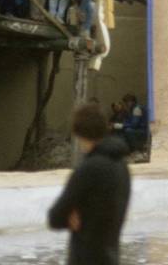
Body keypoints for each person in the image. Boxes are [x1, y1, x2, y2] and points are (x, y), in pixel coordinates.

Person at [47, 103, 131, 265]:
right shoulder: (122, 167)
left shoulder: (87, 169)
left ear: (77, 132)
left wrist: (71, 216)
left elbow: (55, 217)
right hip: (111, 257)